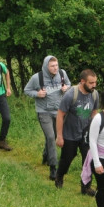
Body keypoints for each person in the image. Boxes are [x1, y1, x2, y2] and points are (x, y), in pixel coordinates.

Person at [23, 55, 70, 183]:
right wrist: (37, 94)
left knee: (54, 135)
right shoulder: (37, 78)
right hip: (43, 112)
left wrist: (66, 88)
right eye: (52, 66)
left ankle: (46, 155)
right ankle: (53, 167)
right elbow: (27, 90)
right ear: (46, 66)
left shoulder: (62, 74)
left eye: (56, 65)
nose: (55, 68)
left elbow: (69, 84)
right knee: (51, 137)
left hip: (59, 111)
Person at [55, 69, 99, 195]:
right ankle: (59, 176)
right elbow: (60, 115)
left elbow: (94, 113)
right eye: (91, 83)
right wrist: (59, 136)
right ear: (82, 81)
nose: (94, 85)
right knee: (67, 158)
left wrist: (95, 133)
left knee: (88, 160)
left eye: (95, 82)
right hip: (70, 133)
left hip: (86, 134)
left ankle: (85, 187)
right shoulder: (70, 95)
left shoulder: (95, 94)